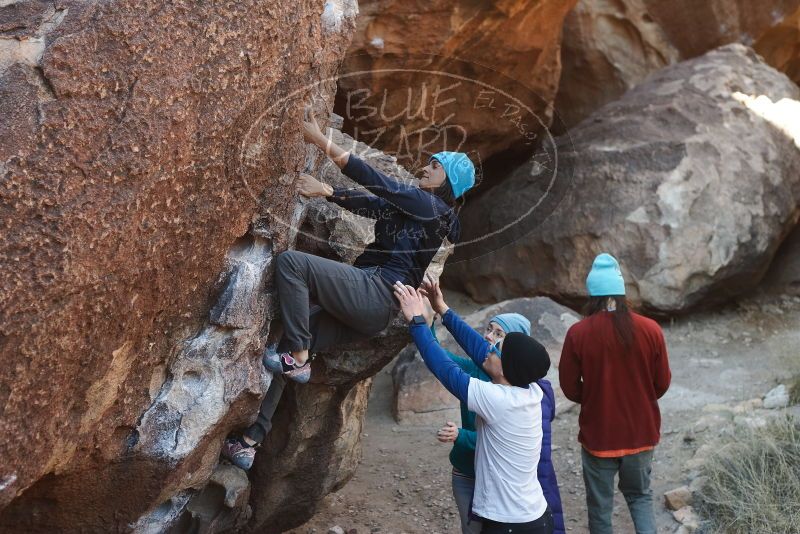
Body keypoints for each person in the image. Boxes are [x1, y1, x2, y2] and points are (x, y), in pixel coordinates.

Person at [221, 108, 476, 470]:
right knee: (285, 353)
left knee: (292, 265)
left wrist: (320, 141)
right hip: (374, 313)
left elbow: (377, 182)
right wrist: (326, 190)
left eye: (434, 167)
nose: (424, 168)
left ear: (445, 180)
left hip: (374, 292)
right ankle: (249, 442)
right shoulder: (420, 210)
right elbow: (377, 204)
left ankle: (299, 354)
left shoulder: (430, 206)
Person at [396, 280, 554, 534]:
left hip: (509, 525)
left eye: (496, 350)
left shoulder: (498, 400)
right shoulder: (530, 389)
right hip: (536, 517)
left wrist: (417, 320)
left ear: (505, 367)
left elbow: (444, 369)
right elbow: (479, 349)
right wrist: (443, 309)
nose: (488, 349)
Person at [558, 253, 671, 534]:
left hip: (599, 436)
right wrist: (640, 396)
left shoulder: (578, 333)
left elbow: (569, 386)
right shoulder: (651, 329)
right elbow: (662, 382)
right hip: (641, 433)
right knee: (640, 497)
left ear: (593, 294)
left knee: (600, 509)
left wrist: (596, 397)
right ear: (621, 293)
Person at [431, 306, 564, 534]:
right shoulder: (475, 368)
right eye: (489, 329)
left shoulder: (530, 396)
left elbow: (513, 442)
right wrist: (430, 320)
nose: (489, 337)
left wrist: (461, 436)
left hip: (506, 491)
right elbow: (440, 360)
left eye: (499, 335)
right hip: (467, 470)